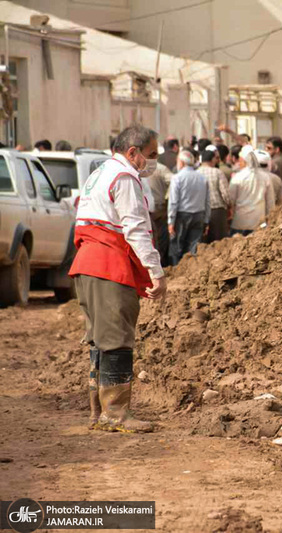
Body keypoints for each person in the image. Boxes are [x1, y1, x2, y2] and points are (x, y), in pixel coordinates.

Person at [69, 124, 167, 433]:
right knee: (116, 340)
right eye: (150, 155)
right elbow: (136, 228)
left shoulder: (99, 173)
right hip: (109, 266)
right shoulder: (125, 178)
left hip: (87, 265)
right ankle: (116, 414)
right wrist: (156, 272)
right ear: (132, 152)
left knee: (100, 340)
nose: (152, 162)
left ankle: (99, 412)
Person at [168, 150, 210, 265]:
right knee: (193, 247)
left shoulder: (177, 178)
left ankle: (177, 271)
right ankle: (191, 271)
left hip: (182, 215)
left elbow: (173, 202)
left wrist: (171, 222)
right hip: (199, 215)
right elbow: (207, 202)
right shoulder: (202, 178)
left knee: (176, 246)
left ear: (181, 162)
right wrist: (206, 220)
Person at [229, 145, 274, 237]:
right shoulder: (265, 177)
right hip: (259, 223)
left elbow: (230, 200)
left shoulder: (238, 177)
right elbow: (270, 203)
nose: (239, 162)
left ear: (244, 161)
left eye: (240, 160)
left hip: (240, 222)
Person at [198, 149, 231, 243]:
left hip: (201, 211)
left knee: (204, 241)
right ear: (212, 159)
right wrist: (230, 205)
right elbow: (225, 193)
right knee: (220, 241)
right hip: (217, 210)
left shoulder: (196, 173)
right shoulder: (217, 172)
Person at [147, 161, 173, 268]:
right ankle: (161, 263)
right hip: (159, 207)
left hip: (145, 208)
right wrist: (168, 196)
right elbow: (174, 181)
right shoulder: (160, 168)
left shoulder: (136, 167)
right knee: (161, 237)